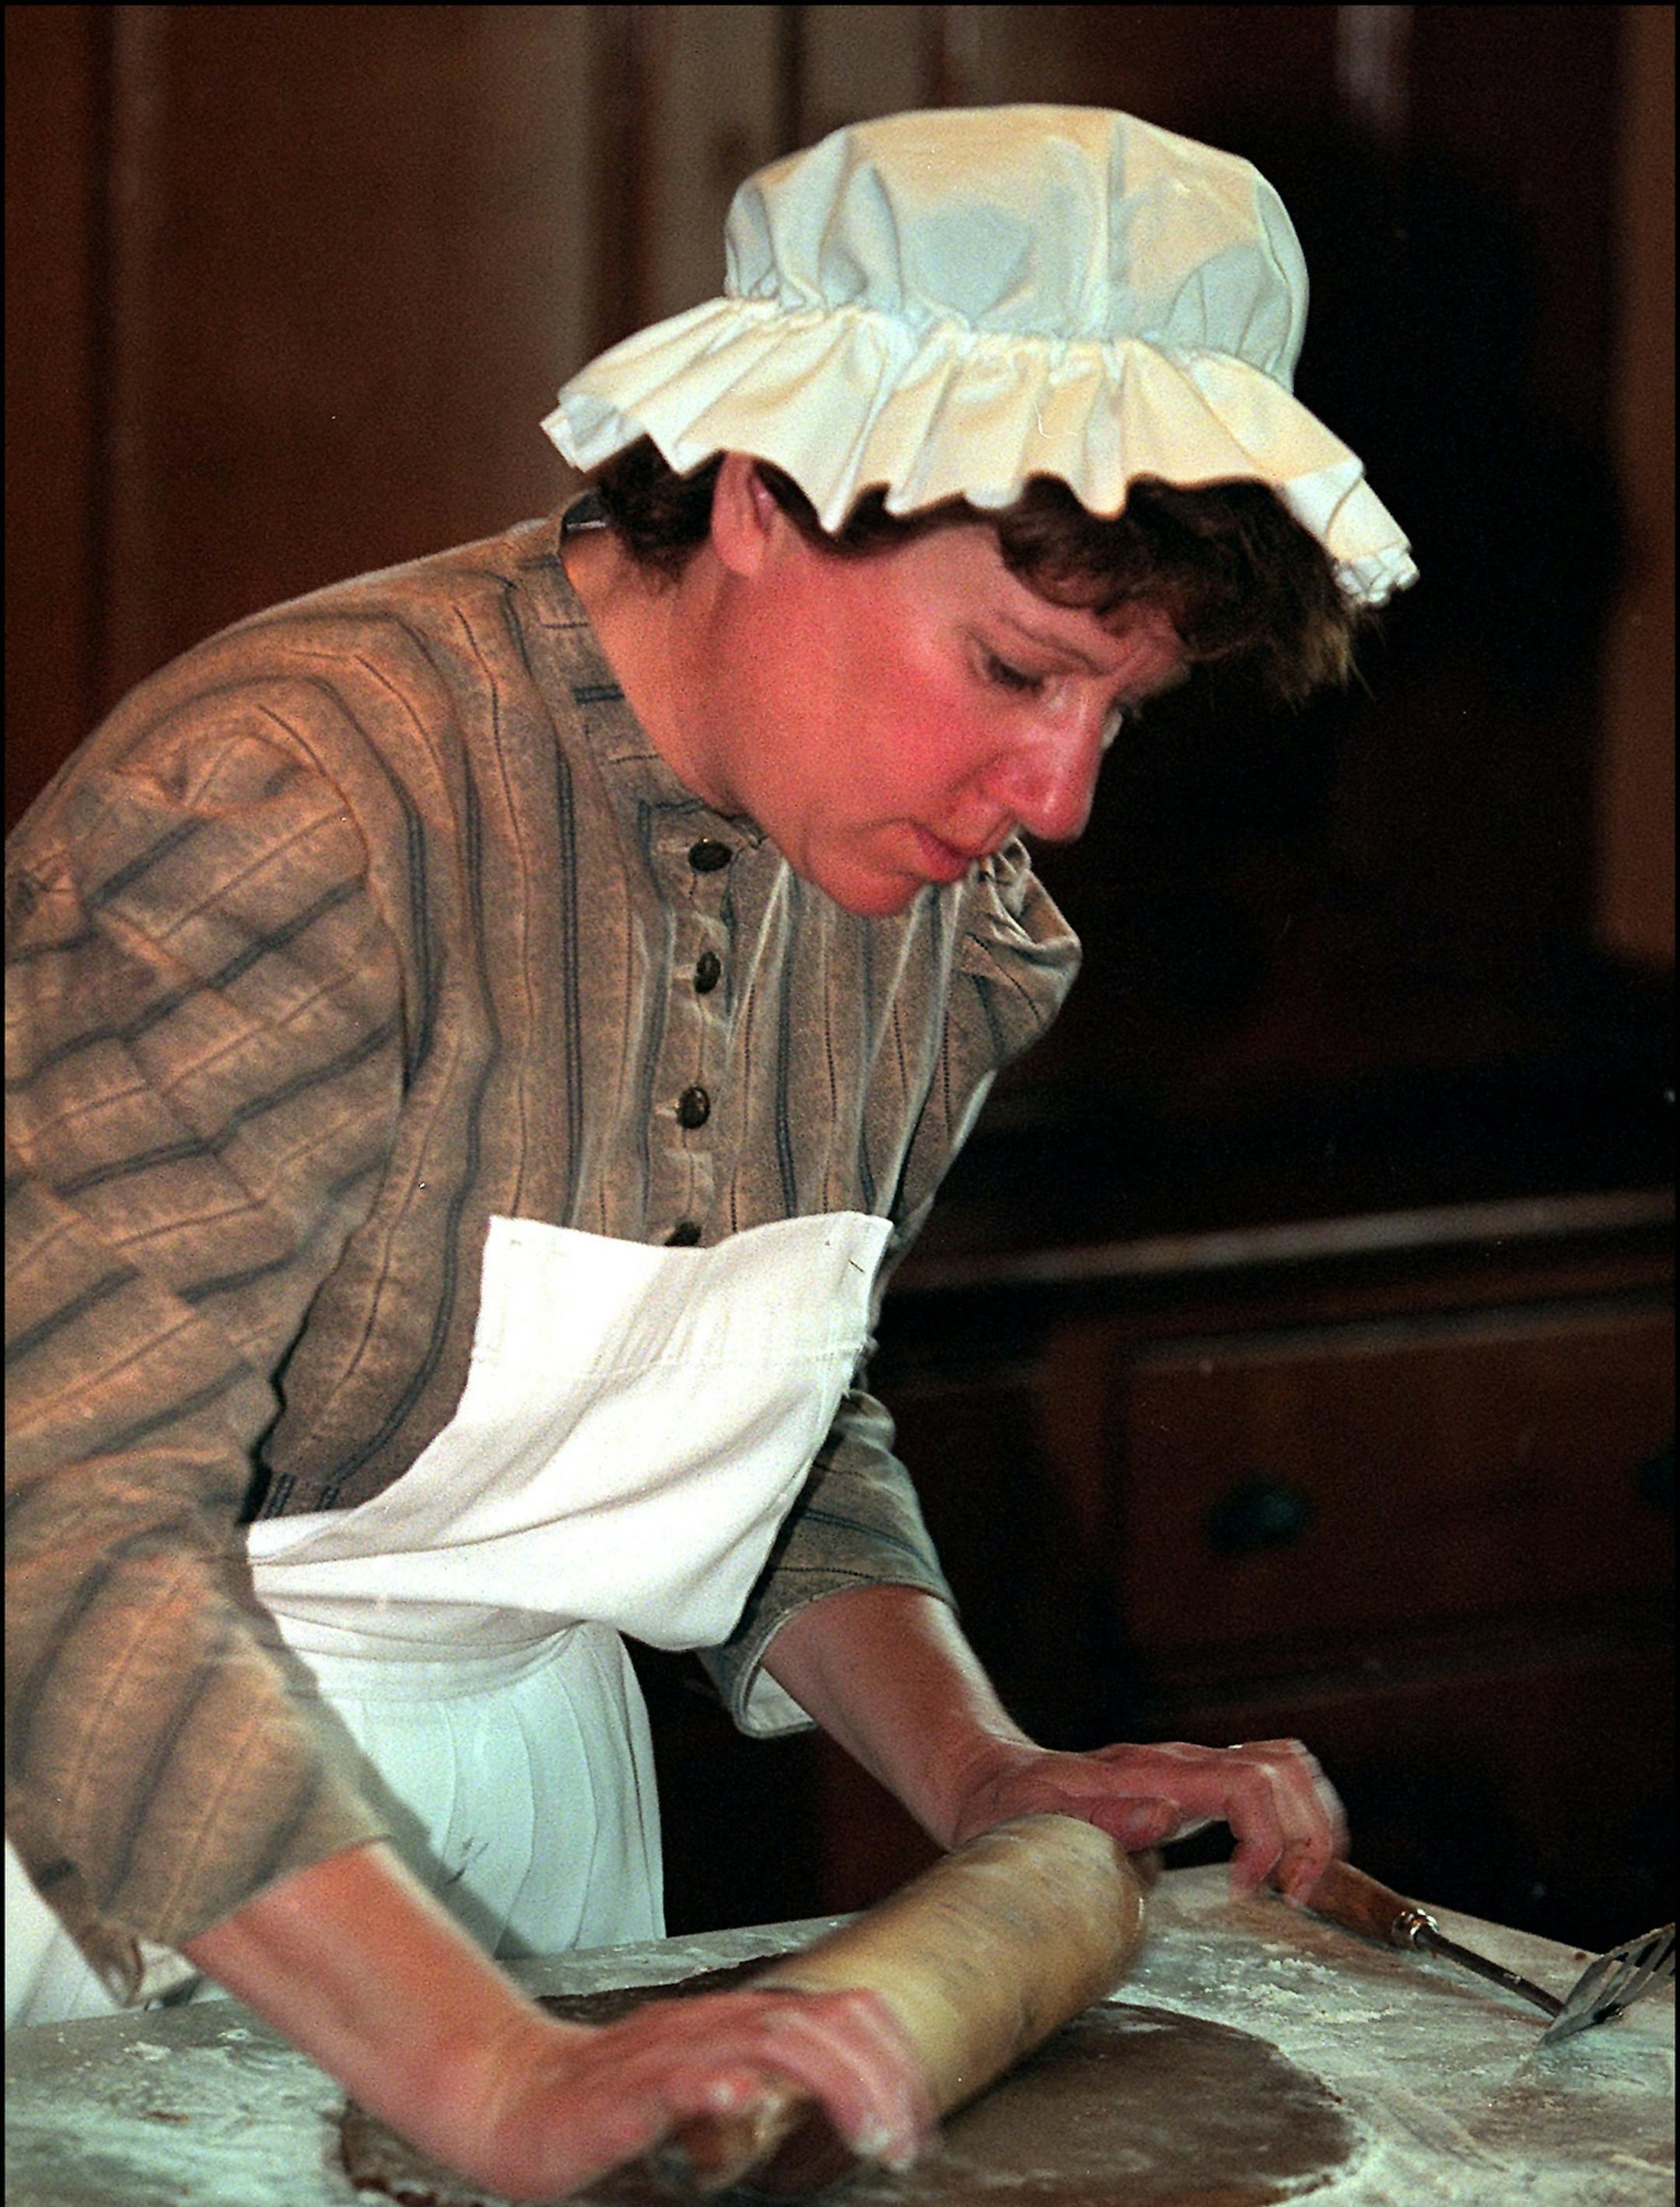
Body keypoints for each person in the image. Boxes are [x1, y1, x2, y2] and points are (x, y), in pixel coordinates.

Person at [5, 105, 1415, 2199]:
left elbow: (759, 1411)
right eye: (1014, 668)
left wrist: (982, 1771)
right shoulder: (302, 800)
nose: (1058, 796)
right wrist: (488, 2074)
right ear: (763, 491)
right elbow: (57, 1533)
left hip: (547, 1836)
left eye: (1123, 709)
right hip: (100, 1867)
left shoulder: (922, 898)